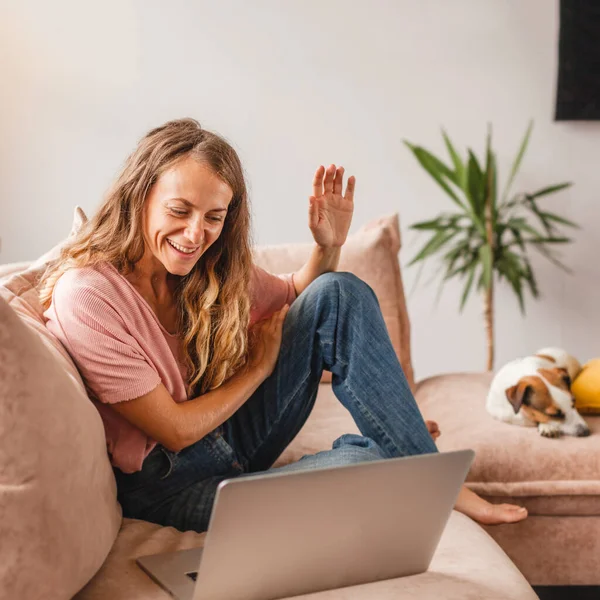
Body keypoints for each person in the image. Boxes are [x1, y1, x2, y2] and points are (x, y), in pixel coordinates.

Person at [40, 118, 527, 534]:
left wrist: (329, 246)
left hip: (232, 437)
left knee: (339, 289)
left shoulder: (209, 264)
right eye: (179, 211)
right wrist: (256, 368)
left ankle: (426, 470)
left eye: (214, 217)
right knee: (371, 466)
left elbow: (303, 297)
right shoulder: (88, 295)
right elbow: (173, 430)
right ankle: (406, 456)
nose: (195, 235)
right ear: (140, 195)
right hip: (170, 485)